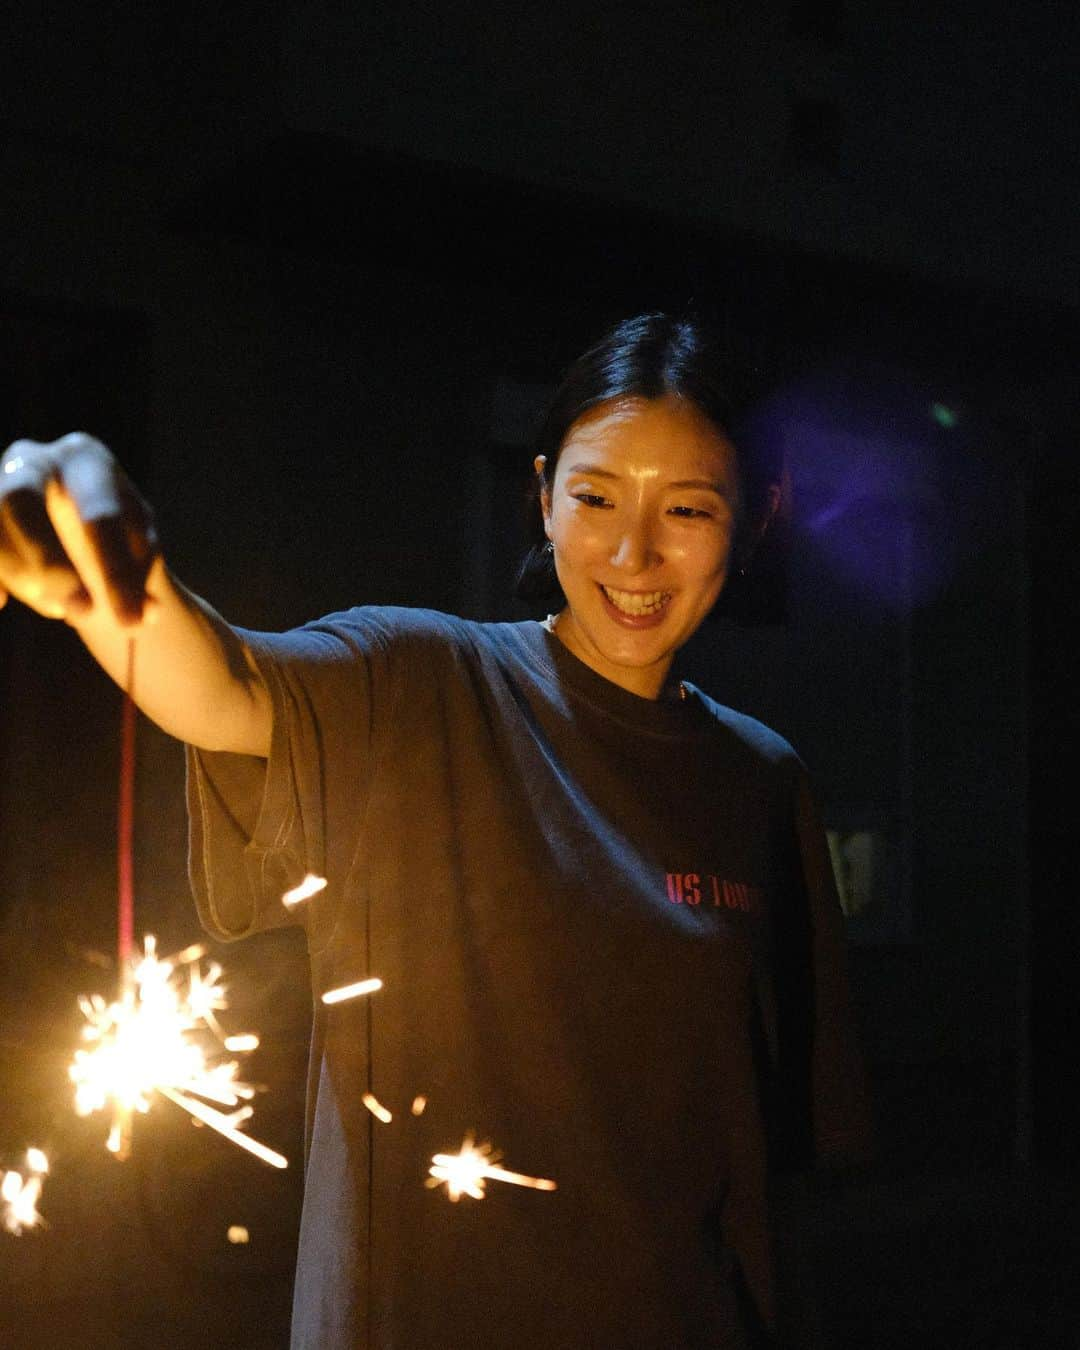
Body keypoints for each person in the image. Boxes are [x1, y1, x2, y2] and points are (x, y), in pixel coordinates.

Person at [0, 314, 870, 1349]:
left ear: (755, 520)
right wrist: (112, 583)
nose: (635, 552)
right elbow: (224, 684)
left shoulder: (763, 781)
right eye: (595, 498)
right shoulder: (419, 683)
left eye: (686, 508)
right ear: (542, 495)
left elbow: (784, 1181)